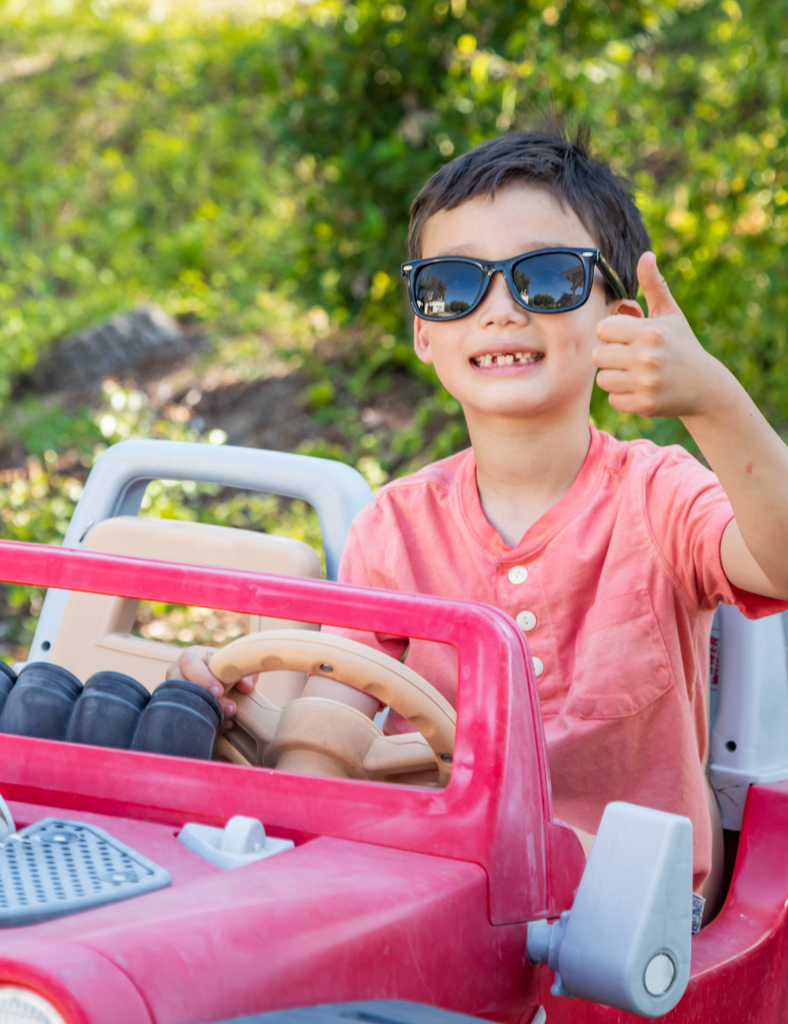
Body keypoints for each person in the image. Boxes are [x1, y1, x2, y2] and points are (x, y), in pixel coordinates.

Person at [167, 124, 788, 904]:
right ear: (426, 332)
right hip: (439, 891)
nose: (499, 311)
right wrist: (273, 770)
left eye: (548, 279)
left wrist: (713, 398)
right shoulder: (395, 528)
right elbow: (331, 714)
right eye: (455, 286)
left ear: (619, 321)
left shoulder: (656, 494)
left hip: (626, 921)